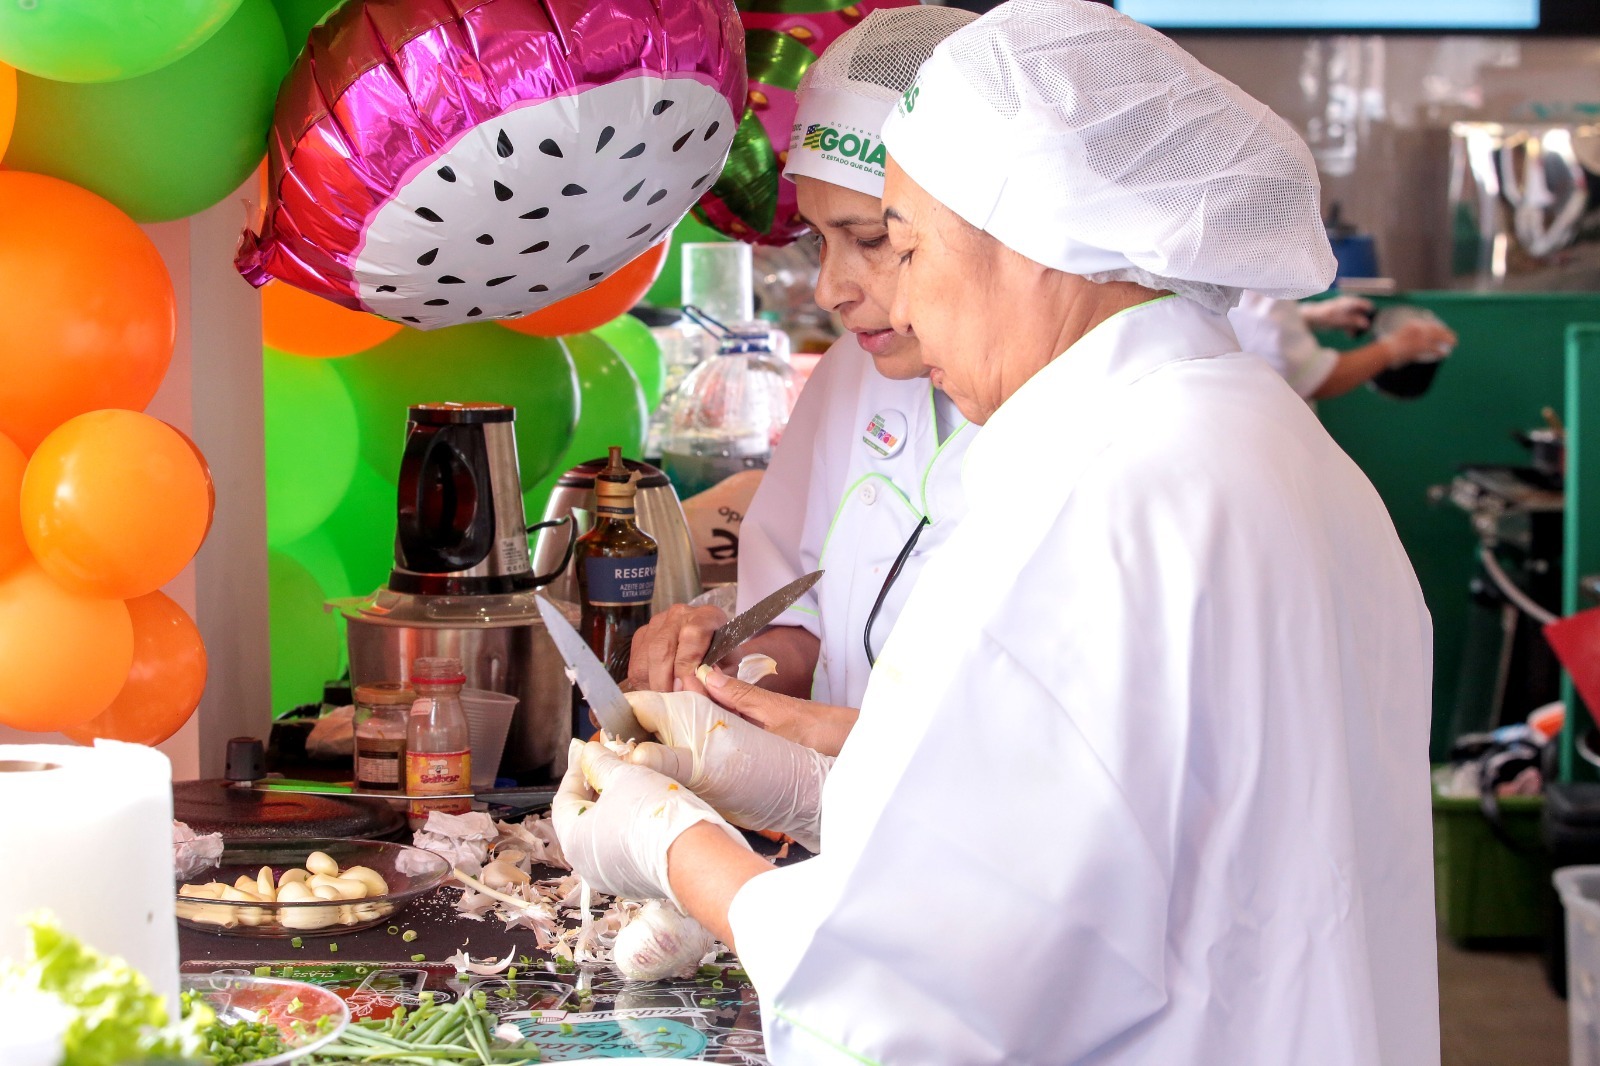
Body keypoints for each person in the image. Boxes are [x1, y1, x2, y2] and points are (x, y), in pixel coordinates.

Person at [556, 2, 1439, 1063]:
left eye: (905, 246)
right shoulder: (1261, 439)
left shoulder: (1090, 494)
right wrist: (812, 782)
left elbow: (904, 998)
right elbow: (1094, 835)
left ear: (1028, 238)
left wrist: (672, 842)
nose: (898, 304)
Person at [628, 6, 978, 755]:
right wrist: (727, 660)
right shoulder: (857, 370)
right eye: (820, 240)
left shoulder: (1107, 423)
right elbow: (799, 613)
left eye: (874, 240)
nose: (829, 291)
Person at [1230, 290, 1458, 399]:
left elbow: (1245, 325)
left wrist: (1308, 317)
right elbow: (1314, 380)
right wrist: (1394, 349)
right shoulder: (1254, 263)